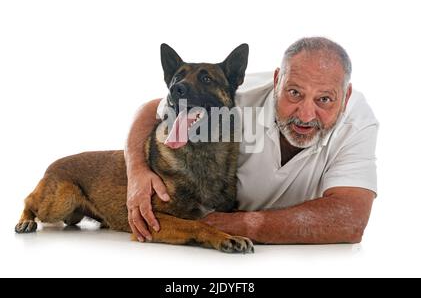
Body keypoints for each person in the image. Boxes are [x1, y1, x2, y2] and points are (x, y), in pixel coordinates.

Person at [124, 37, 378, 244]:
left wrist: (244, 224)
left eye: (324, 99)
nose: (306, 114)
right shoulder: (236, 97)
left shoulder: (357, 122)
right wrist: (136, 170)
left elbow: (351, 220)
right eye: (294, 93)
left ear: (346, 96)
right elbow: (150, 110)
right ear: (277, 81)